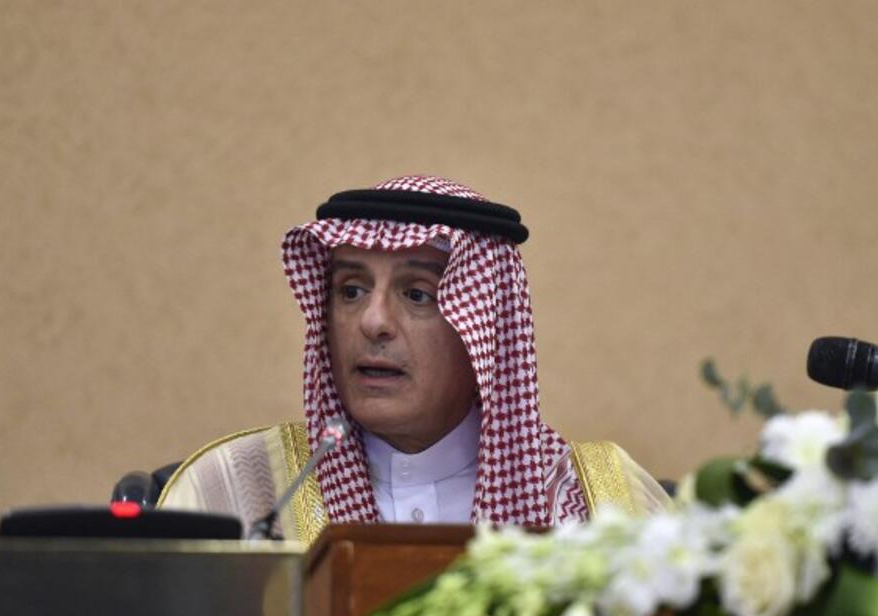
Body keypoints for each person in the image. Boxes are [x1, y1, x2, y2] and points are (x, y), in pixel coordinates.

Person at [159, 175, 669, 547]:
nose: (373, 322)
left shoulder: (605, 507)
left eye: (419, 295)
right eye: (352, 289)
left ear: (484, 330)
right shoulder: (227, 493)